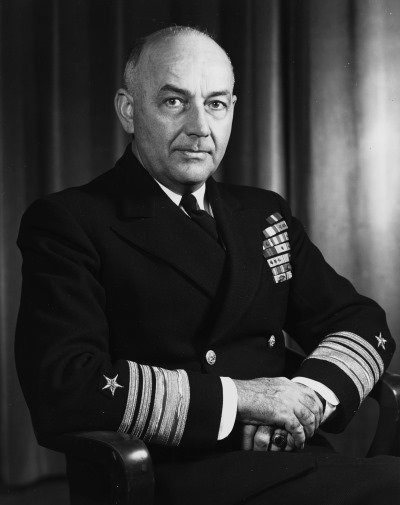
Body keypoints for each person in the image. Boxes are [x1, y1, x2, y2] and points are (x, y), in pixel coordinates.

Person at [15, 25, 400, 504]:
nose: (200, 127)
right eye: (174, 101)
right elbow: (65, 384)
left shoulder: (262, 213)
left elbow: (361, 321)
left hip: (288, 456)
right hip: (171, 476)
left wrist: (308, 398)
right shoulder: (72, 221)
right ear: (129, 110)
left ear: (232, 110)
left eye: (216, 103)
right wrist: (245, 400)